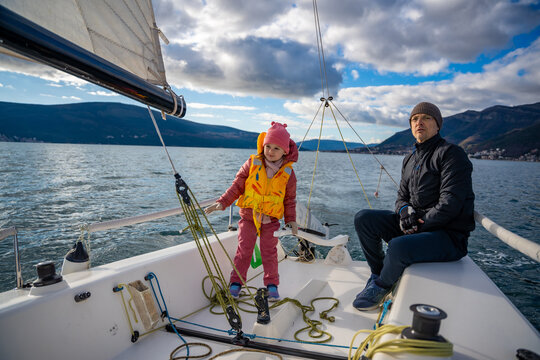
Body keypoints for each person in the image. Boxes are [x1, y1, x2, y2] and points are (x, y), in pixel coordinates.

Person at [353, 102, 475, 311]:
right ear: (411, 126)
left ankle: (382, 286)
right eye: (415, 119)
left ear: (437, 125)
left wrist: (419, 224)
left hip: (448, 236)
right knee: (364, 218)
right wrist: (404, 212)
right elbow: (401, 196)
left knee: (399, 246)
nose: (419, 122)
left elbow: (450, 202)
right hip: (414, 225)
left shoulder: (451, 154)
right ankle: (378, 272)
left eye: (426, 118)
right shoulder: (409, 159)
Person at [205, 122, 298, 302]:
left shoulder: (289, 174)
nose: (270, 151)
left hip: (270, 220)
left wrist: (291, 220)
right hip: (248, 216)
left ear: (285, 151)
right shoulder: (252, 163)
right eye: (268, 146)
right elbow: (237, 186)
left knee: (269, 252)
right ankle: (236, 283)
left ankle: (272, 285)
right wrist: (222, 202)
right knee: (244, 250)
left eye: (276, 148)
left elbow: (289, 200)